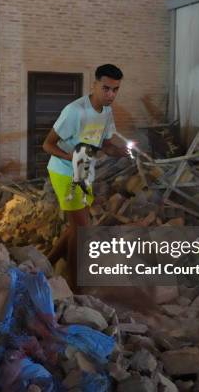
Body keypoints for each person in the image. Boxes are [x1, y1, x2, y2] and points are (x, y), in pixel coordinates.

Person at [42, 64, 130, 291]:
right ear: (94, 84)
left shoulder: (107, 112)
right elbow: (47, 144)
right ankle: (74, 287)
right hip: (63, 171)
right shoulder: (75, 111)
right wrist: (70, 157)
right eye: (106, 88)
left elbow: (107, 144)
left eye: (115, 90)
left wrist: (120, 151)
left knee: (75, 228)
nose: (110, 94)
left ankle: (46, 265)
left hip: (83, 171)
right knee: (82, 230)